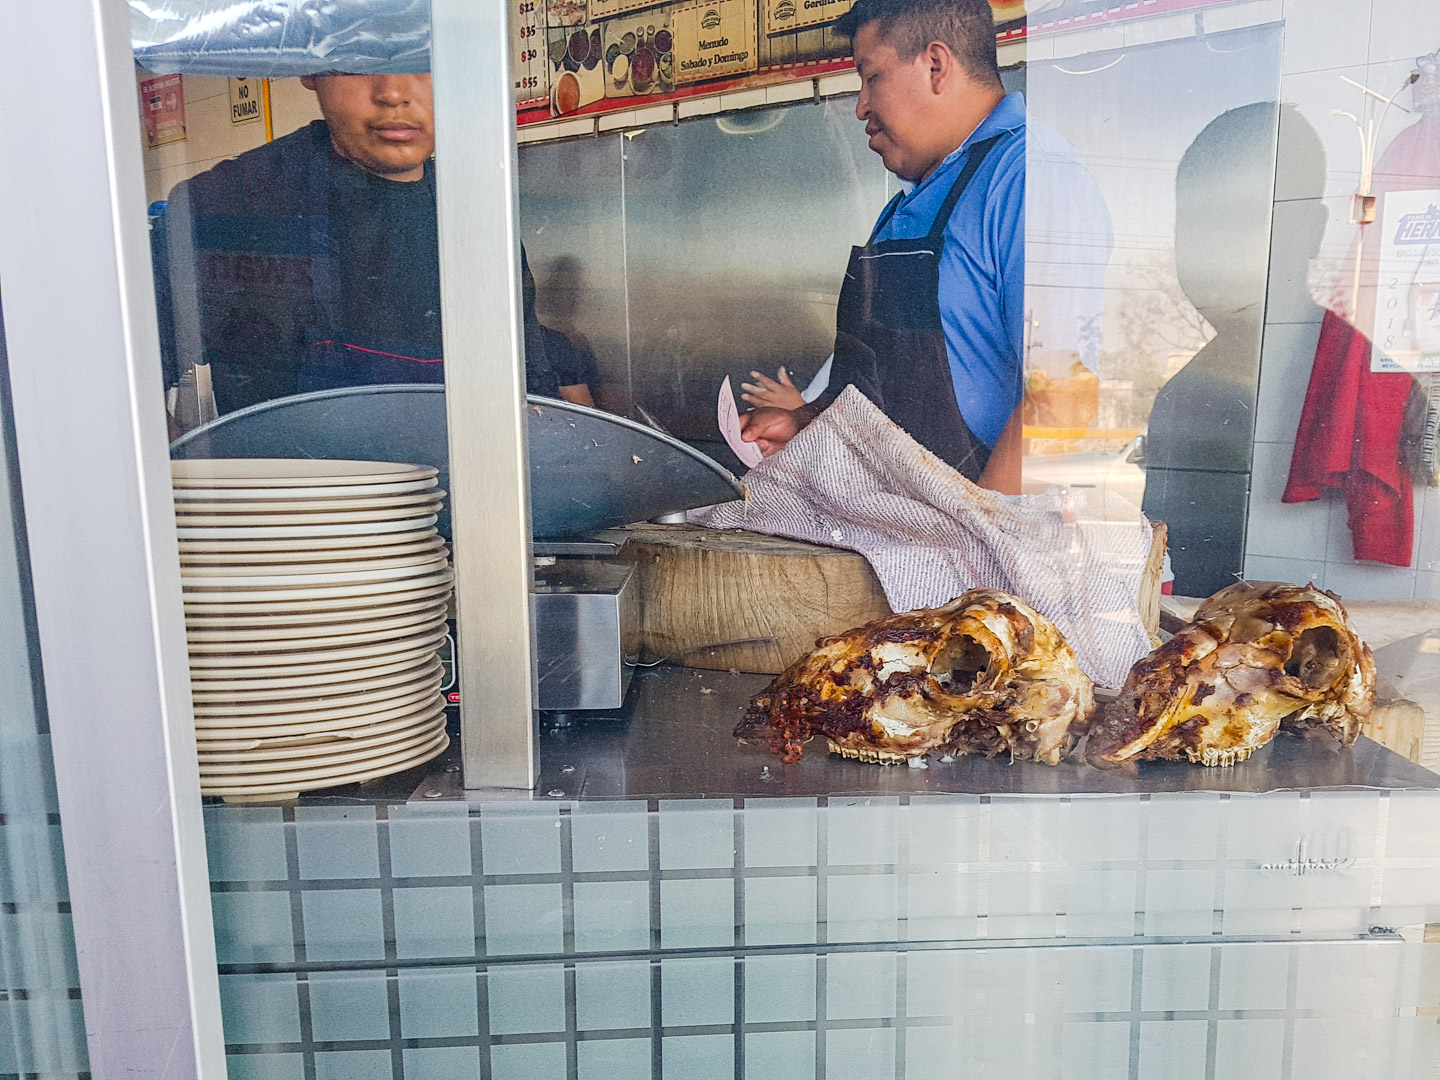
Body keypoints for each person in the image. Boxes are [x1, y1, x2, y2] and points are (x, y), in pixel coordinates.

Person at [157, 73, 586, 418]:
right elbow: (118, 392)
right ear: (311, 67)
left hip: (461, 521)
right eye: (358, 60)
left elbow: (535, 400)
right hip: (297, 520)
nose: (393, 93)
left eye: (423, 58)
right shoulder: (223, 204)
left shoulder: (483, 224)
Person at [738, 0, 1025, 492]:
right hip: (902, 537)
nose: (861, 107)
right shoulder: (901, 213)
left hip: (973, 553)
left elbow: (1062, 401)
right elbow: (886, 401)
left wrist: (980, 547)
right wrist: (808, 422)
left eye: (871, 77)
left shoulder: (1023, 179)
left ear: (936, 65)